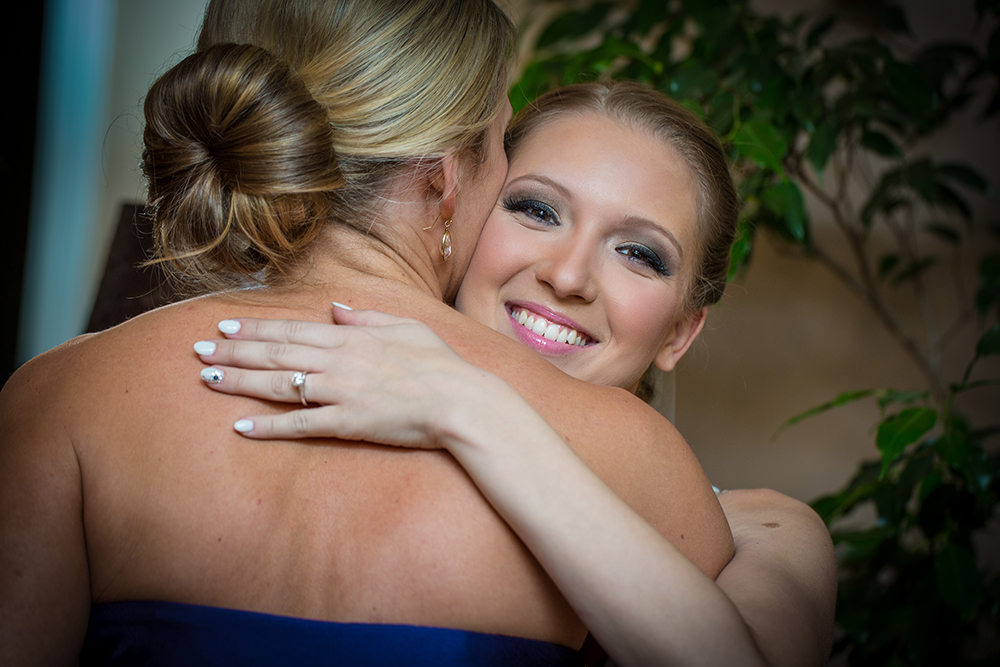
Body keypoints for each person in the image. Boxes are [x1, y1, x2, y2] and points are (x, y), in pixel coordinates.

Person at [0, 2, 733, 665]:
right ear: (446, 176)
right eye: (504, 149)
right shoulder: (633, 455)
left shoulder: (64, 398)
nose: (566, 275)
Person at [193, 81, 838, 667]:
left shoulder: (761, 529)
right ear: (461, 209)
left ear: (679, 332)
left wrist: (478, 412)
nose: (568, 276)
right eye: (537, 210)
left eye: (639, 254)